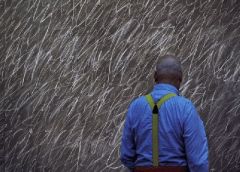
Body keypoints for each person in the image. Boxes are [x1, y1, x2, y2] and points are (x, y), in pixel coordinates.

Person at [120, 55, 209, 172]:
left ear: (155, 76)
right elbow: (198, 162)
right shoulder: (186, 108)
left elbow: (126, 156)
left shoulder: (135, 106)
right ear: (180, 78)